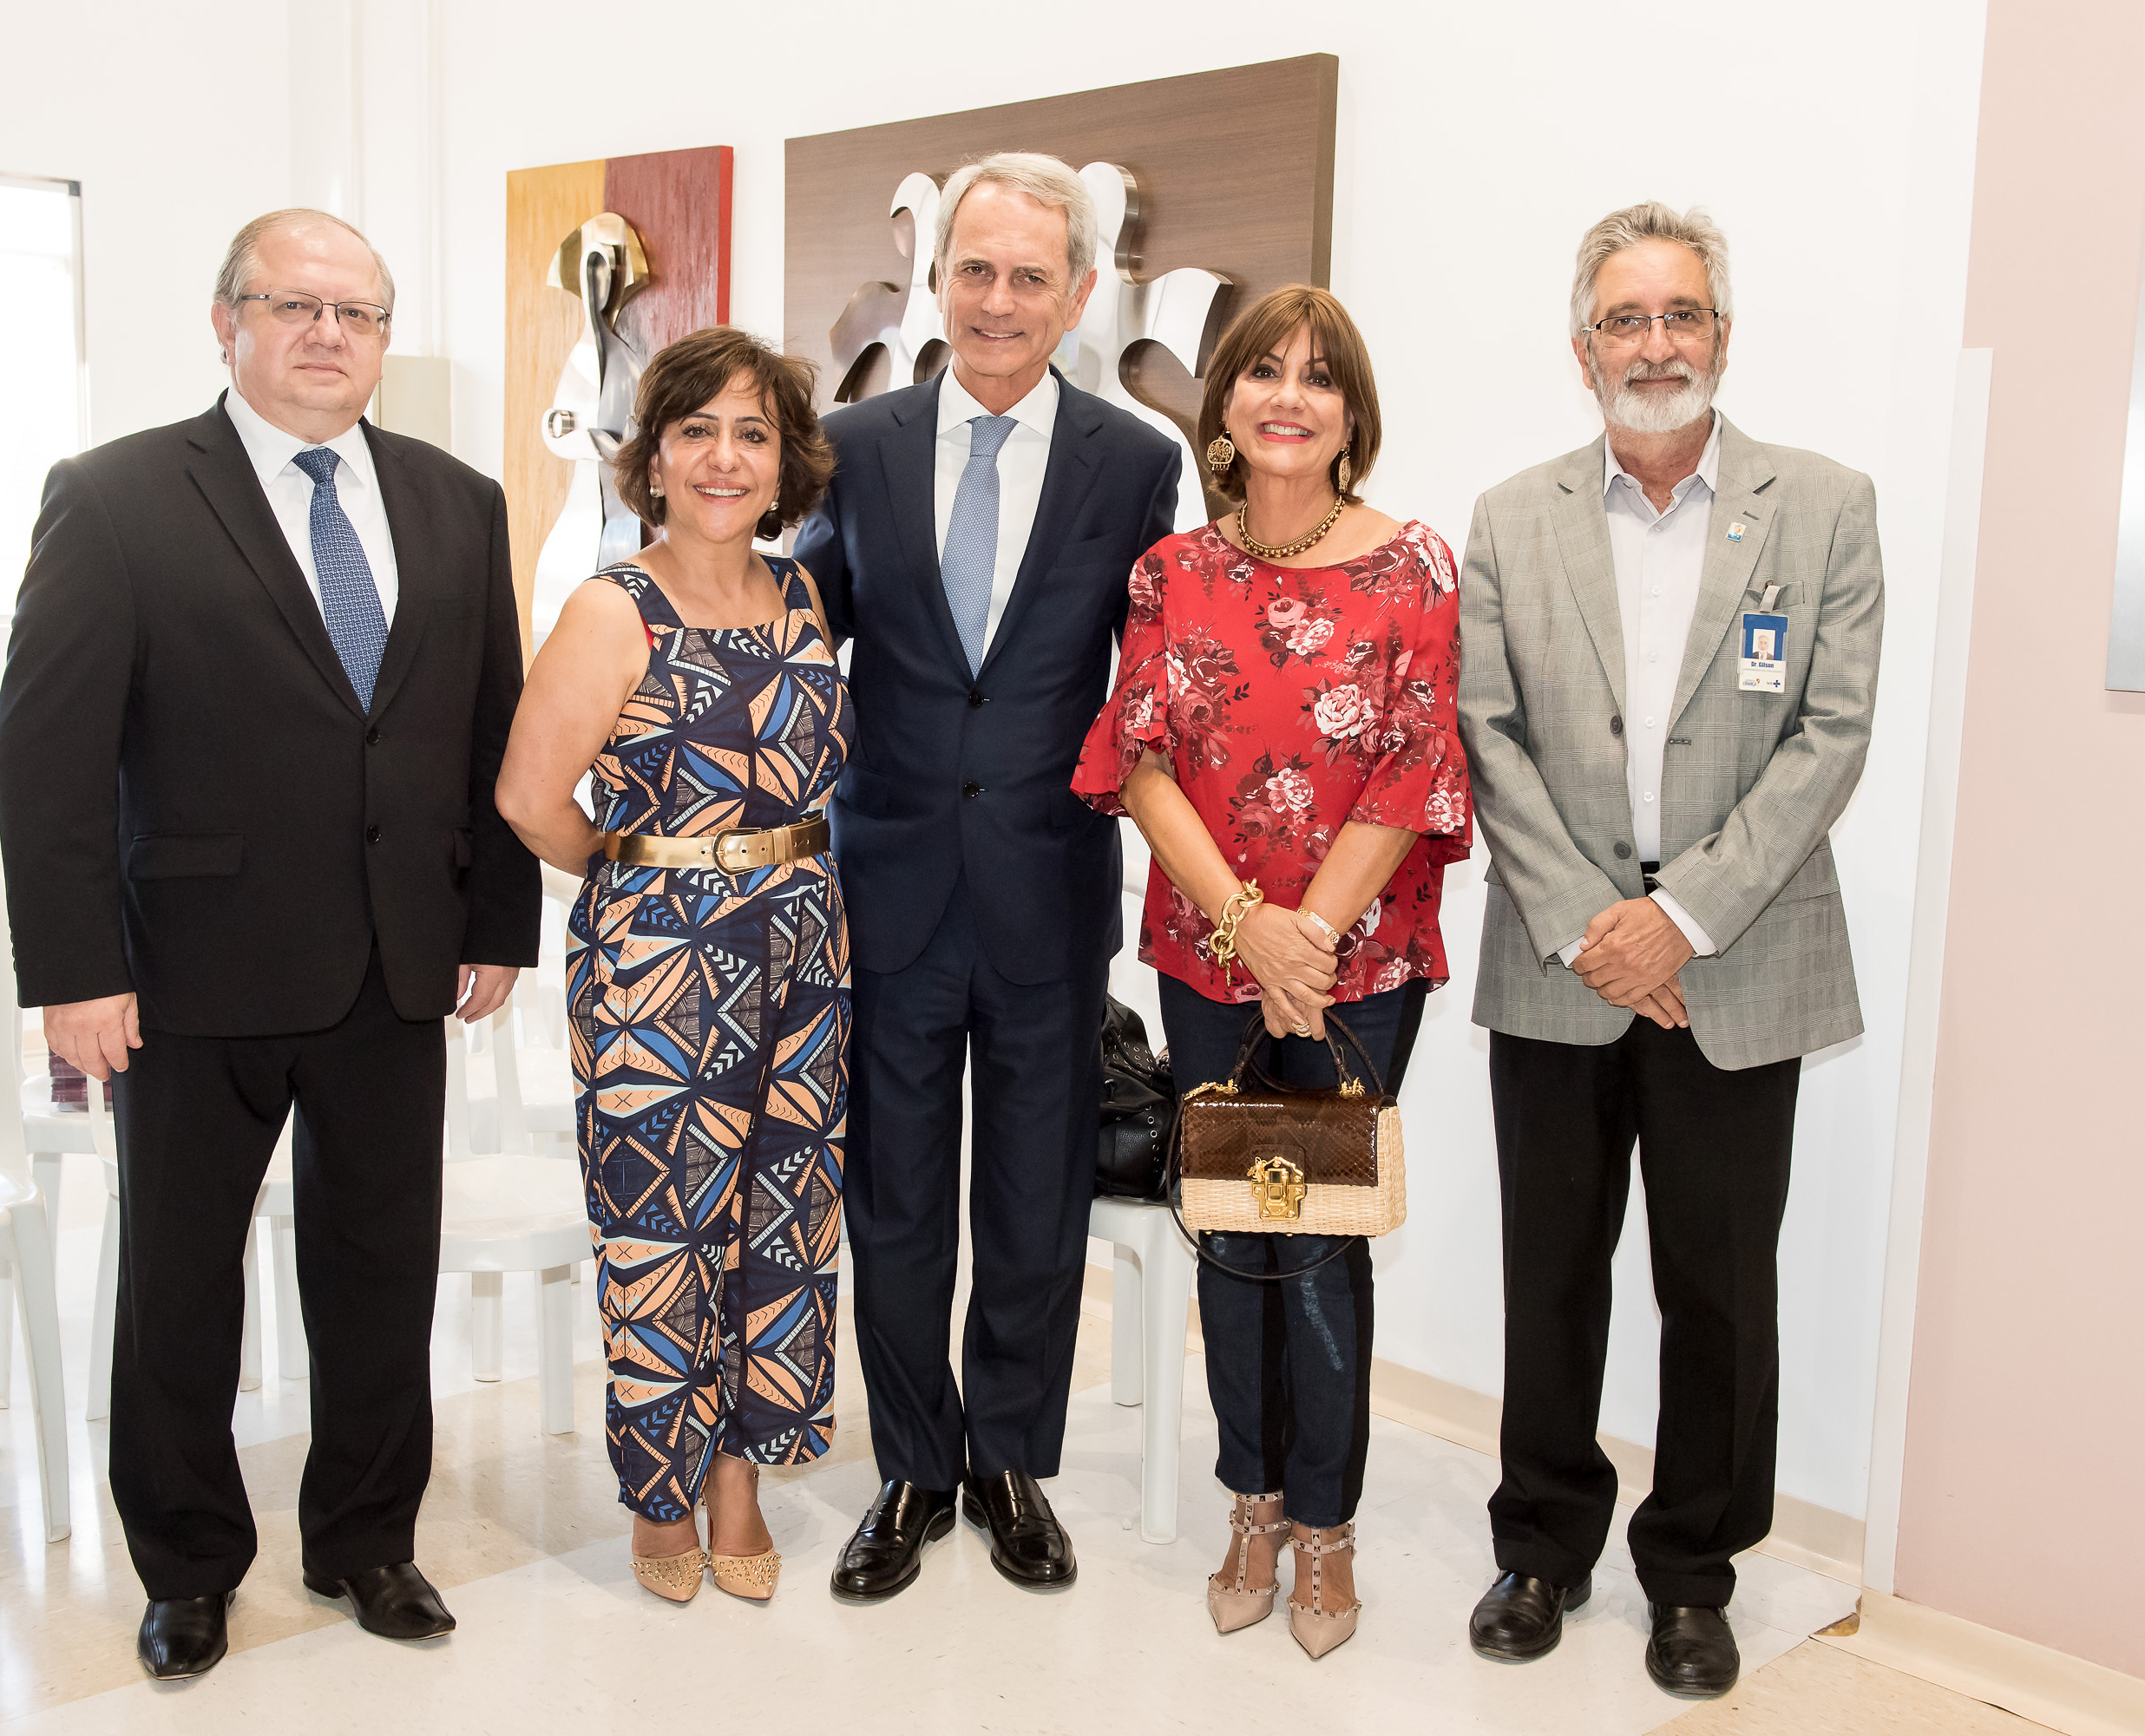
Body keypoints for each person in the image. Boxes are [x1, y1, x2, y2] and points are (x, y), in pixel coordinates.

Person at [0, 209, 536, 1679]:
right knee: (180, 1284)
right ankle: (186, 1565)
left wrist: (495, 917)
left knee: (379, 1272)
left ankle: (365, 1537)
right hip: (188, 968)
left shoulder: (456, 499)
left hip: (395, 962)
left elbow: (489, 720)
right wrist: (74, 970)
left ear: (385, 337)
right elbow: (46, 752)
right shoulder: (114, 497)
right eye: (293, 306)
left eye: (356, 312)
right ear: (226, 321)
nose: (326, 335)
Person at [1456, 202, 1882, 1698]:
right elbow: (1487, 733)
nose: (1655, 344)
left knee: (1716, 1284)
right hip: (1559, 954)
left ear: (1722, 335)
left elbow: (1829, 734)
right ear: (1581, 350)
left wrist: (1679, 916)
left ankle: (1692, 1572)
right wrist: (1598, 923)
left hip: (1733, 958)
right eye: (1625, 319)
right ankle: (1540, 1543)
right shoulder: (1509, 517)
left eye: (1680, 313)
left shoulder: (1822, 504)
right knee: (1548, 1273)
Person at [793, 151, 1179, 1600]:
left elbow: (1155, 688)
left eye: (1029, 277)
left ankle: (1010, 1457)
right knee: (894, 1199)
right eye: (974, 270)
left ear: (1076, 296)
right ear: (935, 279)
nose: (998, 301)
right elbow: (794, 638)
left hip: (1045, 889)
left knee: (1032, 1196)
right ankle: (911, 1464)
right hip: (885, 886)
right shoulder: (853, 445)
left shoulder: (1133, 462)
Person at [1073, 284, 1469, 1660]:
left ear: (1351, 416)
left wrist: (1308, 941)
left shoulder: (1412, 567)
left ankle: (1328, 1523)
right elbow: (1138, 762)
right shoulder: (1169, 572)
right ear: (1224, 406)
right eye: (1262, 371)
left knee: (1319, 1238)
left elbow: (1415, 766)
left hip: (1362, 963)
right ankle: (1250, 1502)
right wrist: (1249, 927)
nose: (1287, 395)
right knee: (1235, 1229)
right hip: (1210, 955)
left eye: (1318, 376)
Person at [495, 326, 848, 1608]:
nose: (724, 458)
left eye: (752, 434)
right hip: (661, 959)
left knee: (783, 1223)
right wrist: (642, 878)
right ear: (653, 459)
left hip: (807, 948)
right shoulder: (612, 609)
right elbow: (530, 798)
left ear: (783, 464)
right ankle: (660, 1496)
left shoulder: (801, 595)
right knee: (663, 1228)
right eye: (697, 430)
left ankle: (740, 1482)